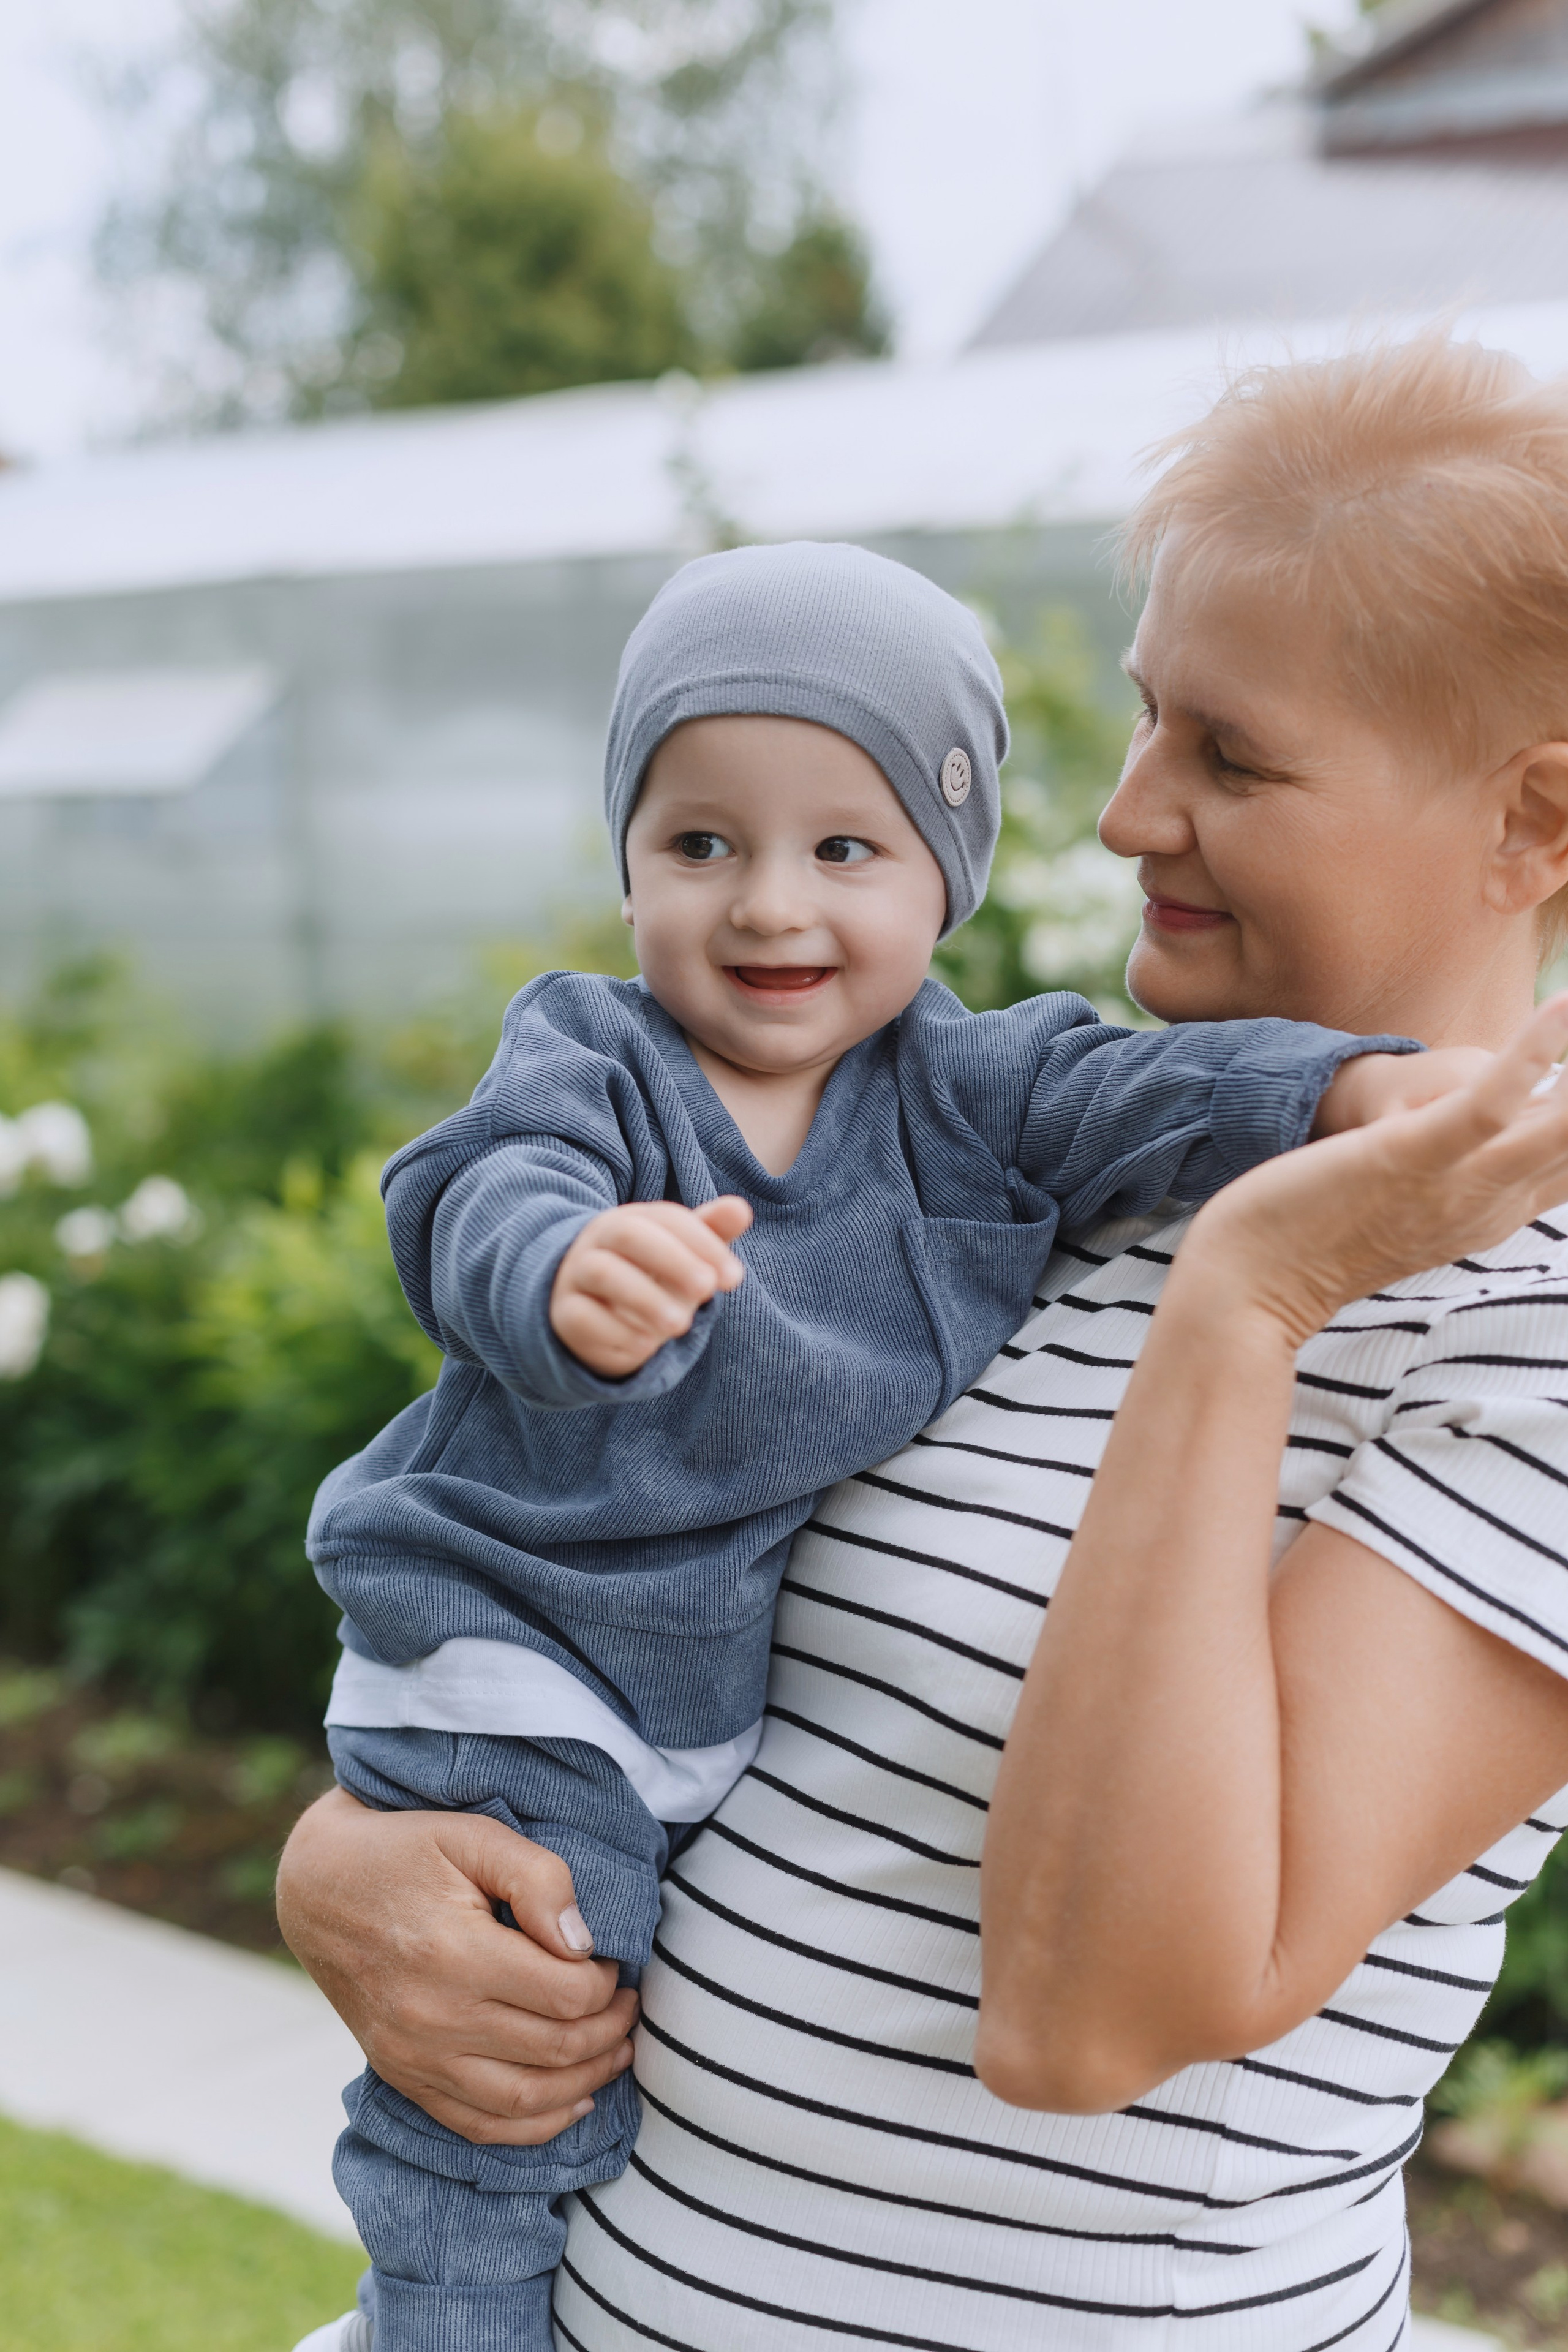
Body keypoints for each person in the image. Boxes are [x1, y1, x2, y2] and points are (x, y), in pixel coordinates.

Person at [277, 336, 1568, 2351]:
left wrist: (1255, 1300)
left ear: (1537, 822)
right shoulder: (1027, 1155)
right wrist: (362, 1855)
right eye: (1146, 721)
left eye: (1230, 757)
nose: (1130, 809)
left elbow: (1096, 2013)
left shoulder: (1527, 1333)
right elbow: (605, 1547)